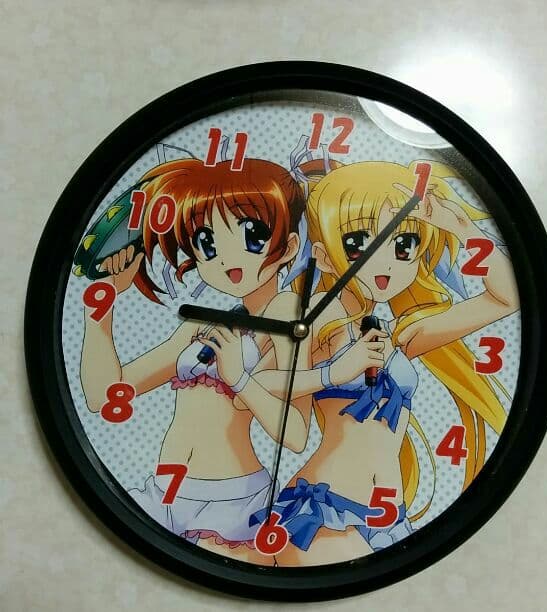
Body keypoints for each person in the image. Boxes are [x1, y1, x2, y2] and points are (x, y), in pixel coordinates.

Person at [250, 160, 519, 566]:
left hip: (389, 515)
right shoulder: (317, 319)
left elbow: (506, 298)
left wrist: (460, 226)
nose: (387, 262)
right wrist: (333, 372)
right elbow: (257, 382)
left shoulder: (397, 333)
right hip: (326, 509)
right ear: (324, 257)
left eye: (404, 244)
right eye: (358, 243)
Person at [79, 157, 312, 564]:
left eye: (251, 235)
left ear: (289, 247)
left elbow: (295, 434)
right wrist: (102, 304)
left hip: (231, 501)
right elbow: (105, 395)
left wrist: (239, 378)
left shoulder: (288, 314)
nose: (226, 258)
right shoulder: (203, 324)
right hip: (166, 492)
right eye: (207, 243)